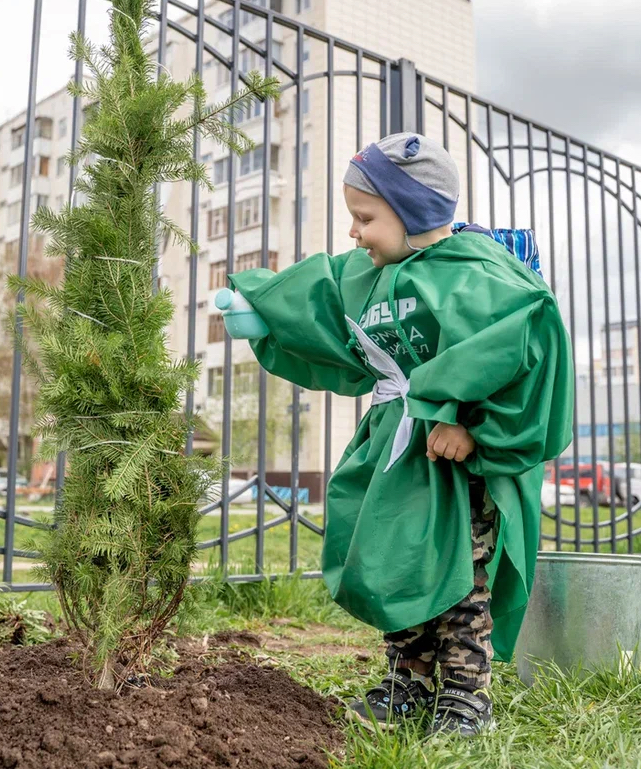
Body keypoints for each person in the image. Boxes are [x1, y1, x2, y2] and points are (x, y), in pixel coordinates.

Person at [223, 133, 574, 738]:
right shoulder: (375, 273)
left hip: (461, 463)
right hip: (400, 448)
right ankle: (406, 684)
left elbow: (521, 345)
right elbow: (325, 294)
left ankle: (466, 699)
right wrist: (259, 304)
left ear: (413, 212)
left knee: (460, 575)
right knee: (396, 560)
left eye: (365, 218)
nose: (354, 233)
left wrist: (465, 421)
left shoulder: (478, 274)